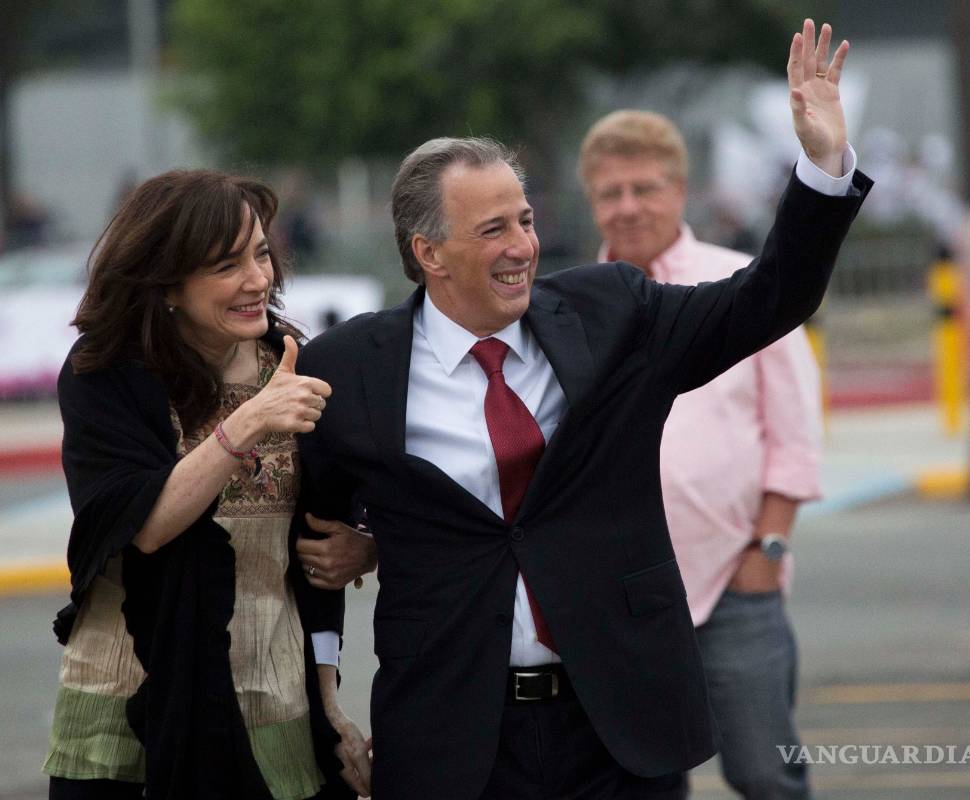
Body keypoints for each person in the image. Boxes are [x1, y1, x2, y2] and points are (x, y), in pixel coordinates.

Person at [290, 20, 867, 800]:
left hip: (617, 730)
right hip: (452, 739)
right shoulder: (349, 368)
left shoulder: (611, 312)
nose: (522, 246)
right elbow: (312, 544)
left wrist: (823, 166)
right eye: (492, 229)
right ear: (429, 253)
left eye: (525, 220)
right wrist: (324, 693)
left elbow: (770, 298)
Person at [43, 170, 375, 799]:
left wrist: (329, 698)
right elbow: (144, 526)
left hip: (272, 699)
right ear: (167, 283)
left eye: (261, 254)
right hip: (132, 700)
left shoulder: (294, 363)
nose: (258, 280)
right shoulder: (105, 373)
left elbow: (319, 550)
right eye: (227, 265)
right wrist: (248, 421)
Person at [579, 109, 822, 798]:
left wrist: (767, 551)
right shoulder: (568, 307)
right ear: (592, 201)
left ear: (680, 191)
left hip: (735, 583)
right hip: (620, 601)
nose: (628, 207)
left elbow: (795, 435)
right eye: (611, 193)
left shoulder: (744, 285)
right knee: (642, 782)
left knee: (765, 775)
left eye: (645, 188)